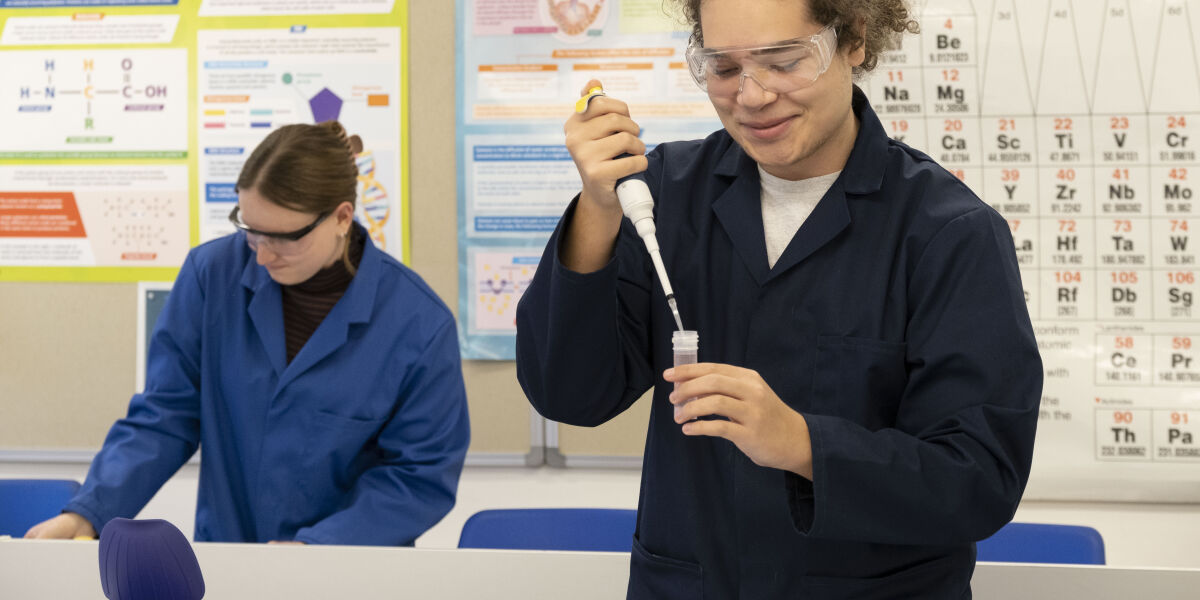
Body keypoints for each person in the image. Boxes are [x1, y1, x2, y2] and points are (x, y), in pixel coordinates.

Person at [515, 0, 1041, 597]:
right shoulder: (663, 196)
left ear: (854, 40)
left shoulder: (946, 232)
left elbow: (979, 480)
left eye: (785, 61)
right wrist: (598, 210)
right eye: (722, 67)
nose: (753, 96)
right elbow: (568, 393)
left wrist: (803, 444)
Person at [26, 121, 470, 546]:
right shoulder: (211, 276)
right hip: (229, 561)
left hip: (350, 569)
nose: (260, 257)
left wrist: (320, 547)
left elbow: (419, 476)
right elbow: (164, 416)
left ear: (341, 217)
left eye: (282, 238)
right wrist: (88, 512)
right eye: (250, 231)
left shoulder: (418, 324)